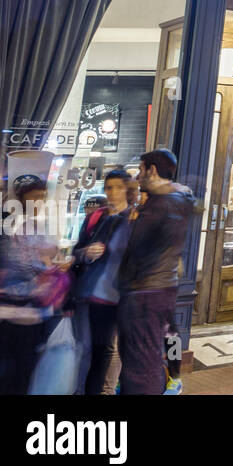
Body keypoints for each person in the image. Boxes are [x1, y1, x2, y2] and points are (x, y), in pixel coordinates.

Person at [0, 175, 71, 395]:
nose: (39, 202)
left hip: (31, 311)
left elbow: (49, 255)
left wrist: (55, 261)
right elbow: (15, 263)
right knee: (8, 373)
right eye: (35, 196)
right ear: (23, 198)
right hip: (12, 310)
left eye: (42, 197)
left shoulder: (38, 225)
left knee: (19, 372)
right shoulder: (12, 224)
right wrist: (45, 265)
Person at [115, 149, 195, 395]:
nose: (138, 177)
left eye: (140, 170)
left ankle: (165, 381)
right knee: (169, 333)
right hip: (165, 287)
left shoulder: (158, 207)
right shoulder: (180, 199)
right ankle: (174, 376)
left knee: (141, 358)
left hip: (145, 292)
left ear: (152, 170)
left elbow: (135, 248)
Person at [70, 168, 132, 395]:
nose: (113, 192)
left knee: (110, 350)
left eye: (118, 187)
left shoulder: (136, 220)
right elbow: (77, 253)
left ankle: (103, 391)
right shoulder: (101, 219)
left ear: (128, 189)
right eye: (108, 188)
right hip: (95, 295)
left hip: (121, 296)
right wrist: (87, 252)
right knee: (93, 349)